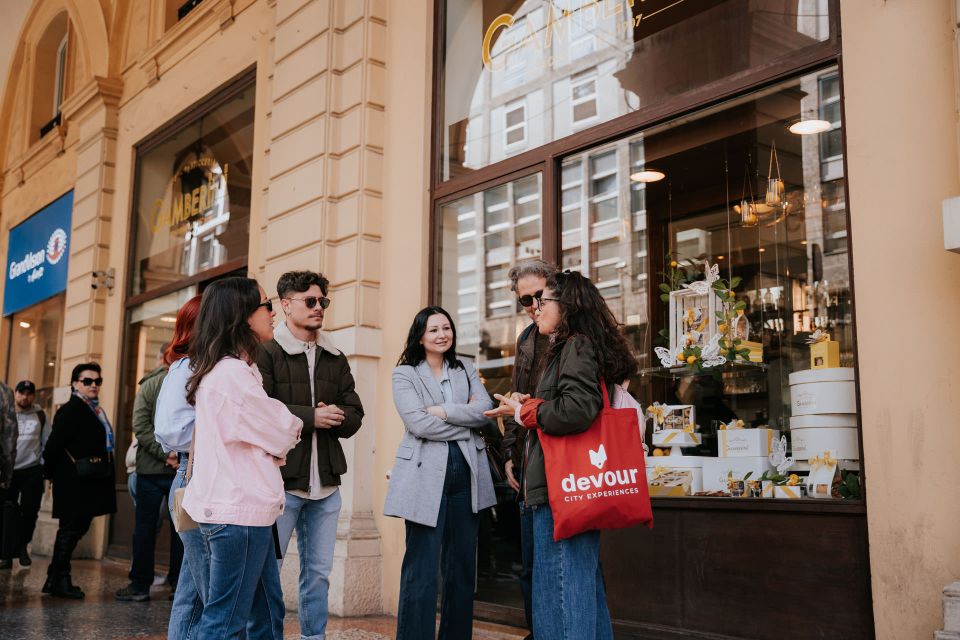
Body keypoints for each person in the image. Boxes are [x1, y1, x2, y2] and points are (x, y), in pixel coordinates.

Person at [487, 270, 638, 640]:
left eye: (545, 300)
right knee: (578, 589)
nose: (536, 308)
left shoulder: (575, 345)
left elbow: (577, 410)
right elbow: (568, 402)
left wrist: (524, 412)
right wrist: (529, 403)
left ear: (566, 306)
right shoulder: (569, 345)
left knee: (560, 592)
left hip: (563, 485)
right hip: (566, 483)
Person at [183, 277, 302, 638]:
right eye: (265, 305)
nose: (272, 312)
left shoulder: (235, 370)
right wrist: (287, 424)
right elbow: (284, 430)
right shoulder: (231, 375)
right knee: (226, 620)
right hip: (238, 514)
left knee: (266, 610)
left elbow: (270, 431)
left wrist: (275, 432)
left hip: (246, 512)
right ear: (243, 316)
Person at [256, 270, 364, 640]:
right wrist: (311, 416)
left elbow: (355, 413)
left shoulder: (335, 355)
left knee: (318, 573)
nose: (319, 308)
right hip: (281, 483)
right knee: (268, 568)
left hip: (327, 485)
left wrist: (338, 417)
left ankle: (313, 637)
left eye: (323, 302)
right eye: (311, 301)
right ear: (286, 305)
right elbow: (261, 410)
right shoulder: (267, 352)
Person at [384, 306, 496, 640]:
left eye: (446, 328)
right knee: (421, 570)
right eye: (433, 330)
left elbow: (485, 411)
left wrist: (445, 411)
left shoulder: (466, 368)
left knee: (461, 569)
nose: (442, 334)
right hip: (423, 477)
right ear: (420, 335)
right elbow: (417, 422)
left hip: (466, 475)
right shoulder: (404, 373)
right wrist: (466, 425)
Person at [489, 259, 557, 639]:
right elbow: (517, 400)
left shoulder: (574, 334)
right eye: (524, 300)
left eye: (538, 296)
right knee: (530, 564)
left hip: (566, 464)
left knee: (561, 566)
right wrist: (511, 455)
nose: (532, 305)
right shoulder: (527, 338)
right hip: (530, 463)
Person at [42, 363, 117, 599]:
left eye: (97, 381)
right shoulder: (71, 410)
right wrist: (50, 476)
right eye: (87, 381)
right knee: (71, 529)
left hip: (87, 481)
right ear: (75, 384)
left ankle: (54, 577)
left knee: (75, 528)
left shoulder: (94, 409)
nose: (93, 385)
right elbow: (52, 447)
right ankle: (60, 580)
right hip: (73, 481)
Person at [117, 345, 183, 602]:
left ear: (162, 358)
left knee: (144, 528)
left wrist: (163, 454)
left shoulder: (149, 384)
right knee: (181, 529)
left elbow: (140, 426)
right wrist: (176, 455)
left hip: (150, 470)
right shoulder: (189, 381)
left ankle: (139, 585)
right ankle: (178, 584)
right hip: (179, 468)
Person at [0, 380, 45, 568]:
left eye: (29, 393)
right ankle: (6, 554)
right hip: (9, 469)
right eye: (21, 393)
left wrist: (43, 465)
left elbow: (47, 440)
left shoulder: (40, 415)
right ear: (15, 394)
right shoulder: (6, 410)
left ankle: (22, 546)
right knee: (7, 513)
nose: (25, 397)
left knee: (30, 512)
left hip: (32, 470)